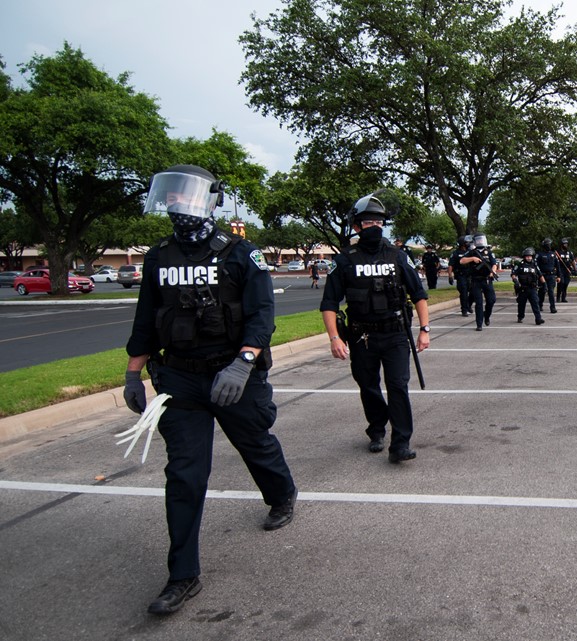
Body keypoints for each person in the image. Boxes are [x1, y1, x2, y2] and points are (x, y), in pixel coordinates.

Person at [122, 164, 297, 615]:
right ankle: (182, 575)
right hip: (179, 378)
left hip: (234, 373)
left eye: (188, 196)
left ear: (210, 201)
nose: (179, 205)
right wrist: (133, 372)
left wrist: (243, 363)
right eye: (172, 197)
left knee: (255, 443)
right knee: (184, 474)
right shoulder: (159, 257)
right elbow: (146, 319)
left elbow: (262, 317)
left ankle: (281, 495)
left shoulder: (241, 254)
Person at [320, 191, 430, 460]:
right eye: (368, 223)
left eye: (379, 222)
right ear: (357, 226)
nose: (374, 227)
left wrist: (425, 330)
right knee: (368, 385)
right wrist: (335, 337)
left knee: (398, 386)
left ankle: (400, 443)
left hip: (394, 333)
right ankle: (377, 429)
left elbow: (419, 294)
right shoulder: (345, 260)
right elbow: (329, 303)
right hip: (362, 335)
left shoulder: (398, 256)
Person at [461, 234, 497, 330]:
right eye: (479, 240)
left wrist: (492, 272)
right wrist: (472, 259)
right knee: (479, 303)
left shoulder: (489, 252)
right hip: (476, 280)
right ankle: (479, 324)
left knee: (491, 300)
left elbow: (494, 264)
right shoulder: (472, 252)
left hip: (487, 279)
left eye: (482, 239)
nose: (480, 241)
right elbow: (462, 260)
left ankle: (487, 315)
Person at [512, 247, 546, 325]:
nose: (529, 258)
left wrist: (544, 284)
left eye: (530, 256)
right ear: (524, 257)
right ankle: (520, 316)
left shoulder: (534, 265)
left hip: (532, 288)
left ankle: (538, 319)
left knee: (535, 303)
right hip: (523, 289)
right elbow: (513, 274)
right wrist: (515, 281)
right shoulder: (520, 265)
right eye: (527, 256)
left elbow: (540, 275)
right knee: (521, 304)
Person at [448, 235, 473, 316]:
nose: (468, 244)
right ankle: (464, 310)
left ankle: (468, 305)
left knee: (473, 292)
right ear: (462, 243)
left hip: (470, 275)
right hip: (461, 275)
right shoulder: (455, 253)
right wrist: (450, 276)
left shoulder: (470, 252)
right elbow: (450, 265)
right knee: (464, 293)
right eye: (466, 242)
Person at [536, 237, 559, 313]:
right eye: (547, 244)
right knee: (542, 292)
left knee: (551, 292)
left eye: (550, 244)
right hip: (542, 276)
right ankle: (540, 305)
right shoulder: (539, 255)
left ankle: (552, 307)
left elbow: (557, 266)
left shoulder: (553, 254)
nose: (549, 246)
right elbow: (536, 266)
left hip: (551, 276)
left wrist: (559, 276)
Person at [555, 237, 575, 303]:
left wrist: (575, 269)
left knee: (566, 283)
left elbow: (572, 261)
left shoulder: (569, 252)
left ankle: (563, 297)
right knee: (561, 283)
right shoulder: (557, 252)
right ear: (561, 244)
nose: (566, 245)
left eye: (566, 244)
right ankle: (558, 297)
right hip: (560, 269)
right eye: (564, 244)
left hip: (567, 270)